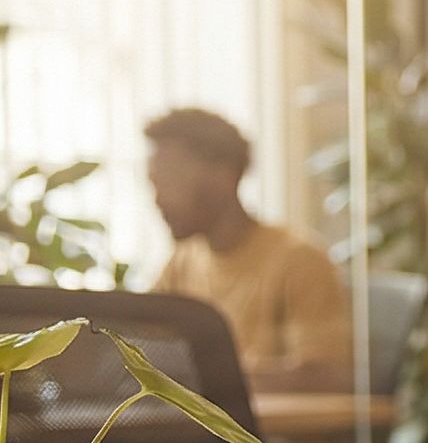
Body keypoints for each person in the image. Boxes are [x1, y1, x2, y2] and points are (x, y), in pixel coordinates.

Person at [145, 108, 350, 392]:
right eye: (153, 184)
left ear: (223, 175)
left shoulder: (299, 260)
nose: (157, 199)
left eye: (170, 181)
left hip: (270, 436)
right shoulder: (182, 263)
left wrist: (201, 382)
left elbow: (324, 377)